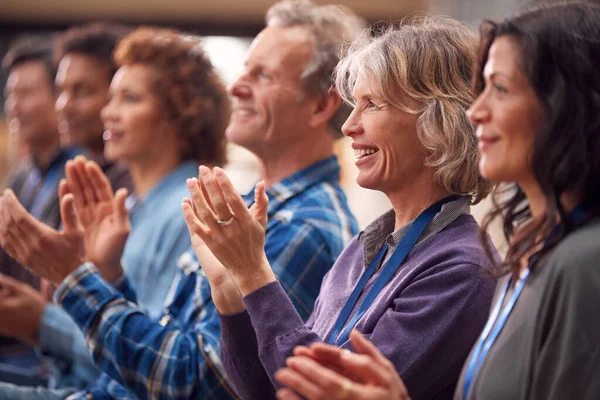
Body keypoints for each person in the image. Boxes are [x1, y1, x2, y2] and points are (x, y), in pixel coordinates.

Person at [0, 1, 362, 395]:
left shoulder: (301, 226)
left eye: (263, 75)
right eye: (245, 71)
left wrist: (72, 281)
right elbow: (162, 342)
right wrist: (108, 275)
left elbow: (191, 380)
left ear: (321, 105)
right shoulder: (256, 209)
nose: (236, 87)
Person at [273, 3, 600, 400]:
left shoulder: (575, 262)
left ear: (564, 105)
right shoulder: (532, 253)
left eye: (499, 88)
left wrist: (252, 276)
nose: (475, 111)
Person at [187, 15, 499, 400]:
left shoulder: (462, 272)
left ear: (438, 123)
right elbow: (266, 393)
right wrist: (230, 290)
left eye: (372, 104)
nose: (349, 125)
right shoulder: (362, 250)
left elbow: (320, 392)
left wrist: (254, 273)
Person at [0, 26, 228, 399]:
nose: (109, 112)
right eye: (111, 98)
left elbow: (151, 364)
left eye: (129, 99)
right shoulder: (134, 206)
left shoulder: (186, 212)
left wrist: (45, 320)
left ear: (178, 114)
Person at [0, 23, 135, 391]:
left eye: (82, 91)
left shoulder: (121, 183)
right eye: (61, 91)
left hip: (71, 363)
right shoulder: (27, 175)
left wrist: (42, 317)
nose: (64, 106)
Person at [0, 36, 72, 387]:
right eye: (11, 94)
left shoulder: (84, 173)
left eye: (26, 93)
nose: (14, 106)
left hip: (52, 348)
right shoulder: (23, 177)